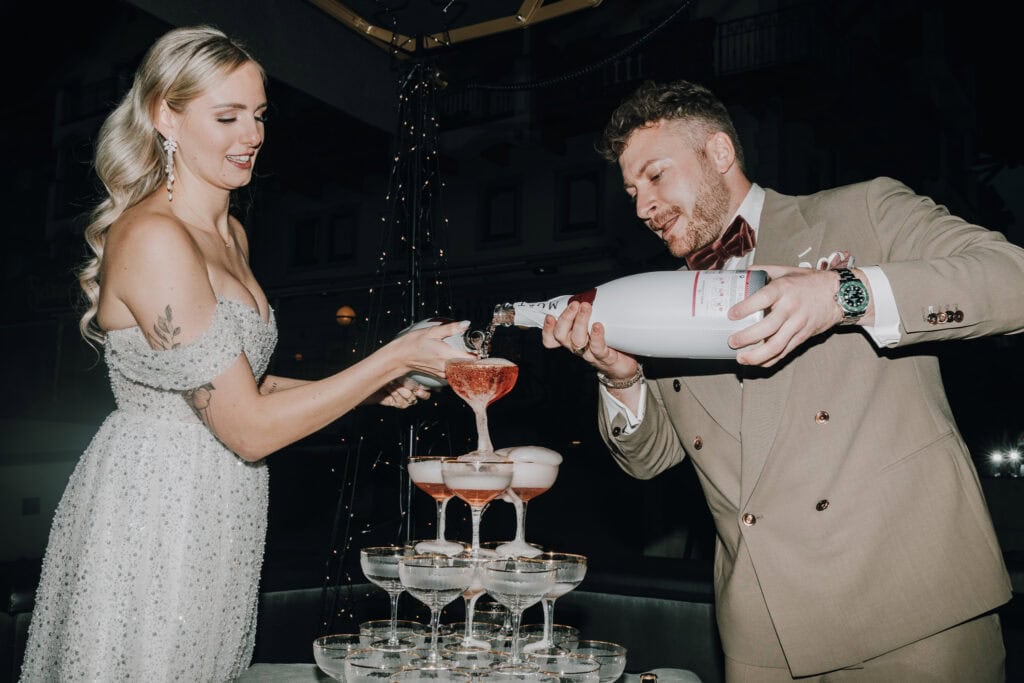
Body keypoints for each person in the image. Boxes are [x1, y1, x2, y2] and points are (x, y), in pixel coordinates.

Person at [19, 25, 471, 682]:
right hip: (157, 505)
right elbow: (248, 427)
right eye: (227, 117)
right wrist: (392, 359)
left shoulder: (230, 232)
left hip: (224, 502)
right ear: (165, 117)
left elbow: (233, 383)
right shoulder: (154, 237)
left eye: (259, 115)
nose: (252, 134)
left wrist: (363, 389)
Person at [543, 79, 1024, 681]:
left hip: (915, 609)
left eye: (656, 176)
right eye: (633, 191)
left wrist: (844, 294)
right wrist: (621, 377)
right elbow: (651, 459)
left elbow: (1012, 279)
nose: (643, 206)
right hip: (762, 635)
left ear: (720, 153)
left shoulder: (862, 210)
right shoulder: (658, 300)